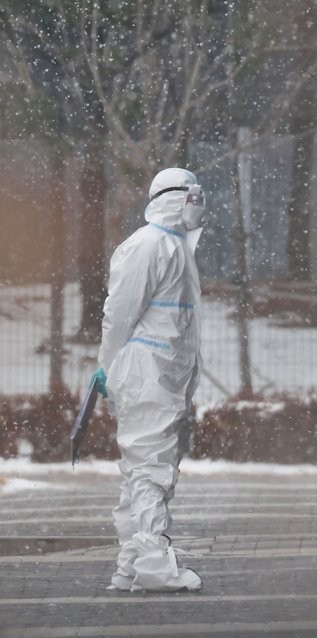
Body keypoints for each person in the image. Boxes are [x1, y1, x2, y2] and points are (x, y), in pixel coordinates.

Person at [92, 167, 206, 592]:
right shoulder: (146, 246)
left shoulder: (175, 247)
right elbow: (118, 313)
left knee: (145, 468)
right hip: (147, 372)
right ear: (176, 197)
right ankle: (155, 565)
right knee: (150, 468)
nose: (199, 205)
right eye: (194, 196)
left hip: (163, 373)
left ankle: (131, 564)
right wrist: (108, 363)